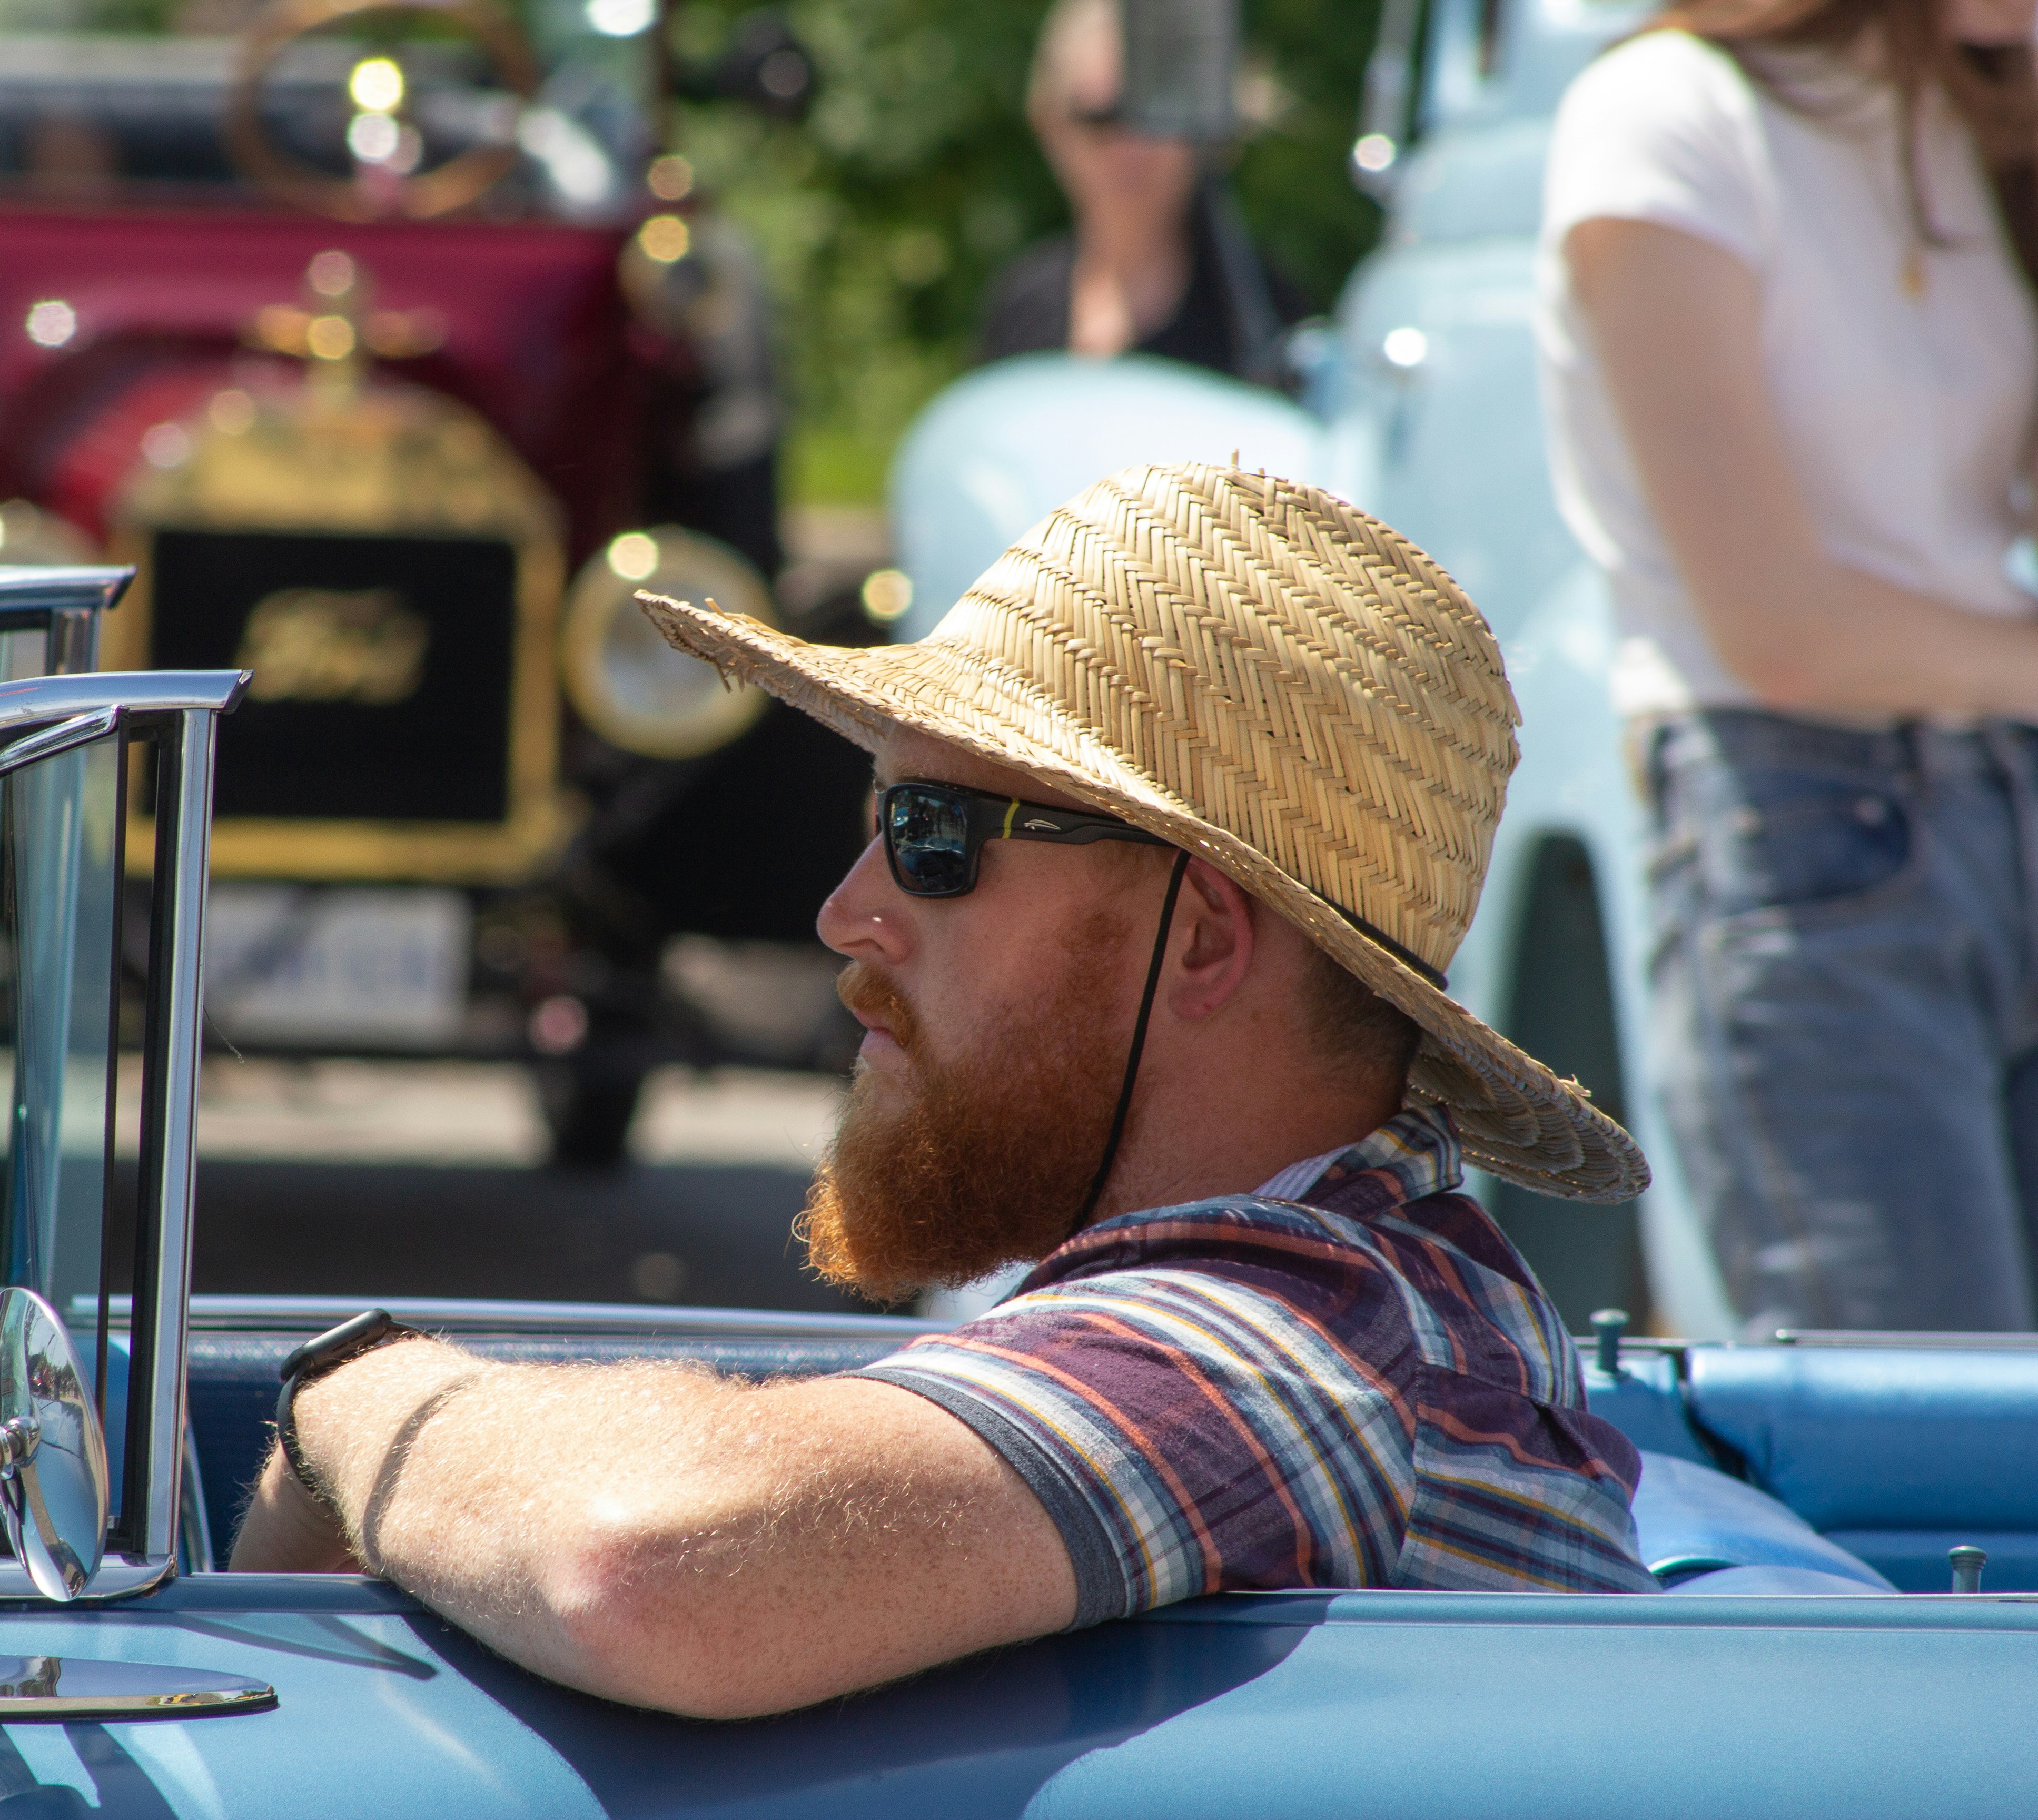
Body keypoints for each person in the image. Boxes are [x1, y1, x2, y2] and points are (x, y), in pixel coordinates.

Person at [231, 461, 1657, 1720]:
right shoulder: (1343, 1306)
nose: (845, 912)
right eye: (875, 821)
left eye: (931, 836)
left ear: (1206, 938)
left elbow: (647, 1565)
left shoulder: (1305, 1345)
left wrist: (350, 1398)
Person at [1539, 0, 2038, 1333]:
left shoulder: (1964, 123)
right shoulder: (1660, 115)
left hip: (1999, 794)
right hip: (1805, 841)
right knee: (1936, 1488)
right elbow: (1779, 627)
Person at [977, 0, 1299, 383]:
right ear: (1050, 123)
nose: (1131, 147)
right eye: (1101, 118)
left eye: (1156, 116)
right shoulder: (1021, 306)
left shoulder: (1259, 317)